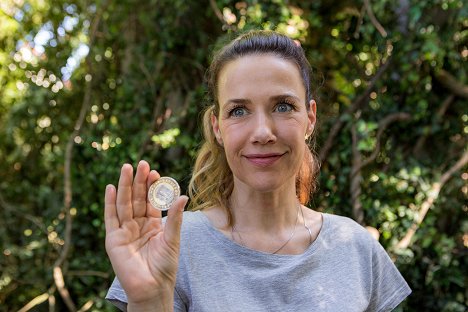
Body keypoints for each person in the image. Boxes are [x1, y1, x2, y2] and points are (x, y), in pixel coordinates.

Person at [105, 30, 411, 312]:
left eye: (283, 106)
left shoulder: (356, 247)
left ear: (310, 118)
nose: (263, 132)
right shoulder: (174, 243)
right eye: (239, 111)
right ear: (218, 128)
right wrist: (150, 301)